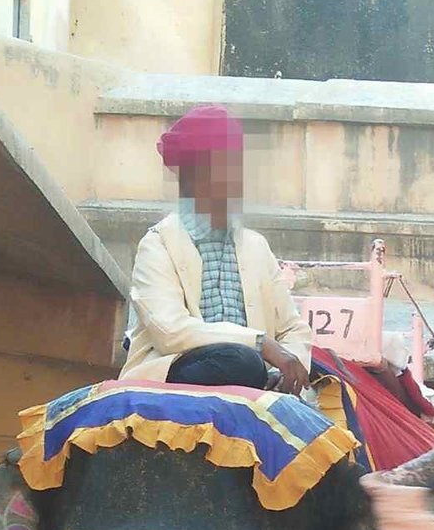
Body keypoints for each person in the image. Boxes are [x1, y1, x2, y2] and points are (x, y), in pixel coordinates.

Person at [120, 104, 313, 395]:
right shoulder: (158, 244)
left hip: (257, 374)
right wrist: (260, 343)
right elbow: (171, 332)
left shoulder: (256, 246)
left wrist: (283, 367)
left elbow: (293, 329)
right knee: (241, 360)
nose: (238, 181)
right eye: (226, 168)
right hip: (183, 370)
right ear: (193, 176)